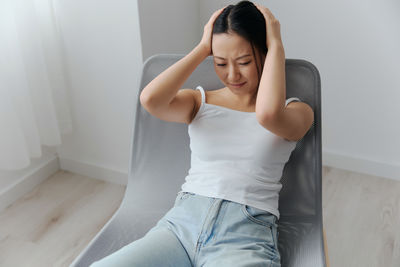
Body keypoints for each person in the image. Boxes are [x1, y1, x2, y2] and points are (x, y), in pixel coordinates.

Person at [90, 1, 314, 266]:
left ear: (265, 55)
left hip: (244, 236)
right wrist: (201, 49)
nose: (232, 75)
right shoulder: (199, 102)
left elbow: (267, 115)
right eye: (220, 62)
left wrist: (276, 43)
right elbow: (150, 99)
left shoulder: (296, 111)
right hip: (180, 227)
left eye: (244, 61)